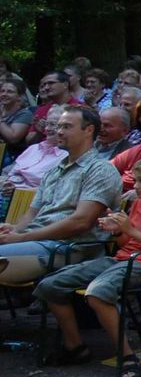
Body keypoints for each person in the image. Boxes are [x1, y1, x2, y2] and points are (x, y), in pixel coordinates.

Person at [36, 155, 141, 377]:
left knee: (97, 293)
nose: (135, 187)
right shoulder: (138, 205)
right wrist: (117, 231)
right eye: (135, 181)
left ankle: (127, 356)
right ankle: (75, 346)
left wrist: (130, 229)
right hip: (121, 259)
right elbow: (124, 245)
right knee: (49, 285)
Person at [0, 106, 122, 286]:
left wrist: (22, 237)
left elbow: (81, 222)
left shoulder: (100, 170)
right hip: (39, 242)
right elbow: (32, 214)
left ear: (88, 130)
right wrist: (13, 230)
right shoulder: (54, 171)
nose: (59, 132)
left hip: (67, 248)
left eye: (66, 127)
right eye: (58, 126)